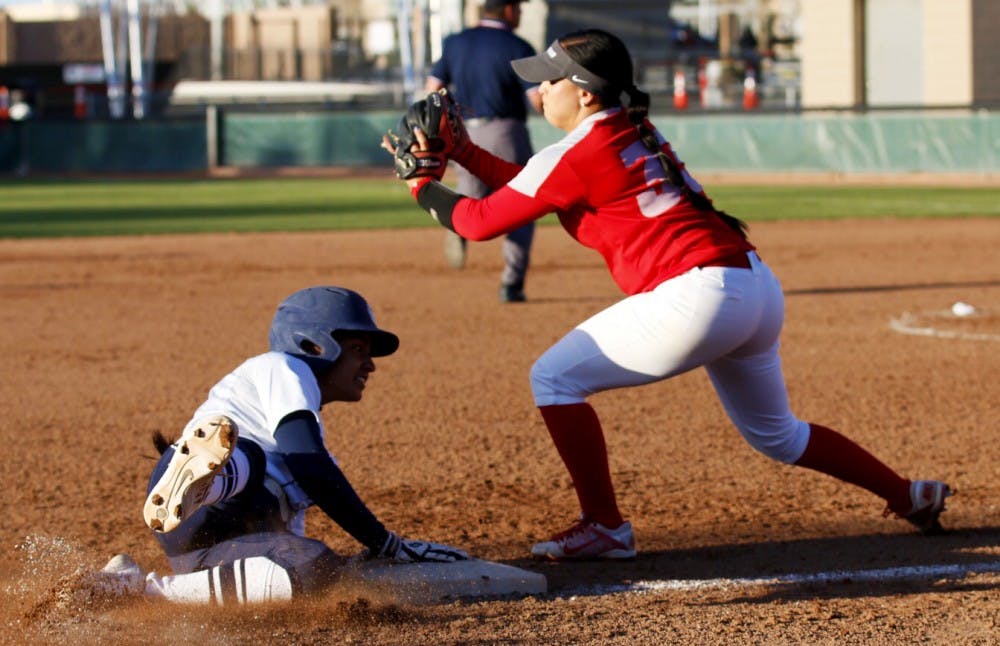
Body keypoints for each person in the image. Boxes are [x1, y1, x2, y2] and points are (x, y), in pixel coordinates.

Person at [383, 29, 952, 561]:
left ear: (583, 94)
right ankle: (909, 495)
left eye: (550, 80)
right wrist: (459, 153)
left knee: (553, 379)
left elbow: (480, 222)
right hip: (752, 286)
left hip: (699, 296)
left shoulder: (573, 154)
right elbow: (531, 186)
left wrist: (420, 185)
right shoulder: (625, 130)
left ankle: (604, 526)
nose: (539, 89)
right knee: (777, 435)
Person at [102, 286, 468, 603]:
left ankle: (131, 590)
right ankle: (205, 480)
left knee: (317, 569)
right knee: (249, 456)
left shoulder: (309, 444)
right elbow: (312, 466)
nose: (370, 365)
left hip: (204, 548)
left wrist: (358, 561)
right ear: (314, 344)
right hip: (207, 493)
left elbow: (289, 539)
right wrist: (385, 543)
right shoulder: (284, 368)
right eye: (358, 348)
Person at [424, 0, 542, 302]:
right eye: (518, 9)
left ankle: (456, 226)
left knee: (470, 193)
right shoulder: (517, 45)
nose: (520, 14)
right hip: (506, 131)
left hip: (464, 134)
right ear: (507, 11)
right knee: (522, 204)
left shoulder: (455, 42)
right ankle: (511, 284)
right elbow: (537, 100)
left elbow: (432, 89)